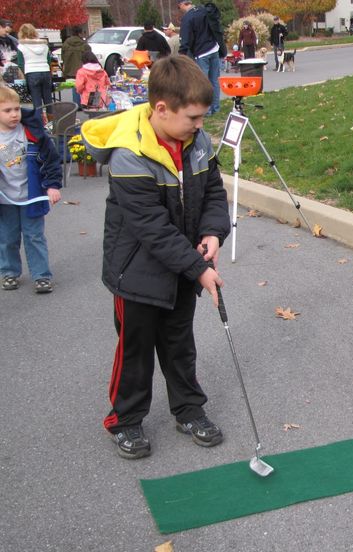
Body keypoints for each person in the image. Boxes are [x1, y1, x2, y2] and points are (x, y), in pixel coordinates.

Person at [80, 55, 230, 459]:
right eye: (193, 118)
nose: (200, 127)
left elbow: (214, 193)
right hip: (138, 272)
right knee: (136, 349)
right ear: (161, 109)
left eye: (202, 118)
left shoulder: (197, 143)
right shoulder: (129, 154)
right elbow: (151, 228)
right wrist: (199, 268)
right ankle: (125, 419)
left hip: (181, 267)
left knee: (180, 343)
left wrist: (213, 233)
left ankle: (188, 410)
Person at [0, 86, 62, 294]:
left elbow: (51, 159)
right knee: (7, 237)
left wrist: (52, 185)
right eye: (7, 110)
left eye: (16, 109)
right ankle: (9, 272)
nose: (14, 114)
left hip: (32, 196)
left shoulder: (32, 132)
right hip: (5, 199)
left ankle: (42, 275)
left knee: (34, 236)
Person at [178, 0, 223, 116]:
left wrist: (182, 55)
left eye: (179, 7)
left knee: (203, 83)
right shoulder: (204, 10)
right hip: (214, 48)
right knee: (214, 81)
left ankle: (207, 110)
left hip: (201, 52)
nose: (180, 9)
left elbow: (185, 39)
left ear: (183, 4)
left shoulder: (188, 18)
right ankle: (216, 108)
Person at [15, 23, 53, 118]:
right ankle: (52, 122)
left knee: (37, 101)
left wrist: (23, 75)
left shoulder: (21, 46)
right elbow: (48, 60)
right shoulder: (44, 45)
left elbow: (20, 63)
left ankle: (40, 122)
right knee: (48, 99)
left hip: (31, 73)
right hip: (45, 71)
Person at [61, 25, 92, 105]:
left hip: (70, 70)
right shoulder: (85, 45)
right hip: (82, 69)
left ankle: (76, 104)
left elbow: (63, 57)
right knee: (84, 87)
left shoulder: (65, 44)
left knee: (75, 87)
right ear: (80, 33)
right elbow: (89, 57)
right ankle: (84, 103)